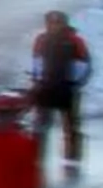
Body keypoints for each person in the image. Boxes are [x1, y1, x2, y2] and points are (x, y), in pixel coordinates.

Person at [29, 10, 92, 170]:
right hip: (46, 87)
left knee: (71, 124)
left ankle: (73, 158)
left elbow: (84, 64)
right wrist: (37, 81)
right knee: (40, 124)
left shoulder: (75, 41)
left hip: (67, 89)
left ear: (64, 24)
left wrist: (74, 82)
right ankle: (36, 155)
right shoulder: (41, 40)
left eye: (57, 23)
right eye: (50, 22)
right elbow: (36, 61)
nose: (54, 26)